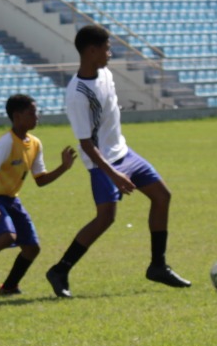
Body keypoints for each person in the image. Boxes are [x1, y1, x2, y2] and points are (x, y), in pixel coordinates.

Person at [44, 25, 191, 297]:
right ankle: (60, 270)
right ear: (92, 51)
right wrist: (113, 174)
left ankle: (158, 266)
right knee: (105, 218)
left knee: (162, 196)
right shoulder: (77, 94)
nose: (110, 53)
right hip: (102, 162)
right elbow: (86, 143)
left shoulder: (106, 74)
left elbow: (108, 110)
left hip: (124, 153)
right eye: (107, 48)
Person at [0, 94, 76, 298]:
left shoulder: (35, 143)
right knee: (7, 236)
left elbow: (41, 180)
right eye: (32, 113)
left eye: (37, 113)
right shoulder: (7, 142)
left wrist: (64, 167)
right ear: (17, 117)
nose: (37, 117)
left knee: (32, 248)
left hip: (11, 199)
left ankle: (9, 286)